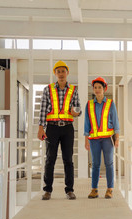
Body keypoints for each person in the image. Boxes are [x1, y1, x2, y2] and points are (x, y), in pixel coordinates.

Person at [38, 60, 81, 200]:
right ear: (55, 74)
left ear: (67, 73)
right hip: (51, 128)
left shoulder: (73, 90)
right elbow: (43, 110)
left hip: (68, 128)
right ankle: (47, 190)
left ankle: (69, 190)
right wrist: (41, 128)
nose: (61, 74)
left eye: (63, 71)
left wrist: (76, 112)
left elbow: (78, 109)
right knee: (50, 159)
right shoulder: (48, 89)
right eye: (58, 71)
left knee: (68, 159)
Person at [84, 77, 120, 199]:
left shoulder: (110, 104)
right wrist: (86, 140)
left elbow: (115, 122)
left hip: (107, 140)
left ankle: (110, 189)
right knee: (95, 164)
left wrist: (117, 138)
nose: (97, 90)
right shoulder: (89, 105)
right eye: (95, 88)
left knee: (109, 164)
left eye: (100, 87)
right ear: (93, 89)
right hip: (94, 140)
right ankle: (94, 190)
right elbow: (86, 123)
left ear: (104, 89)